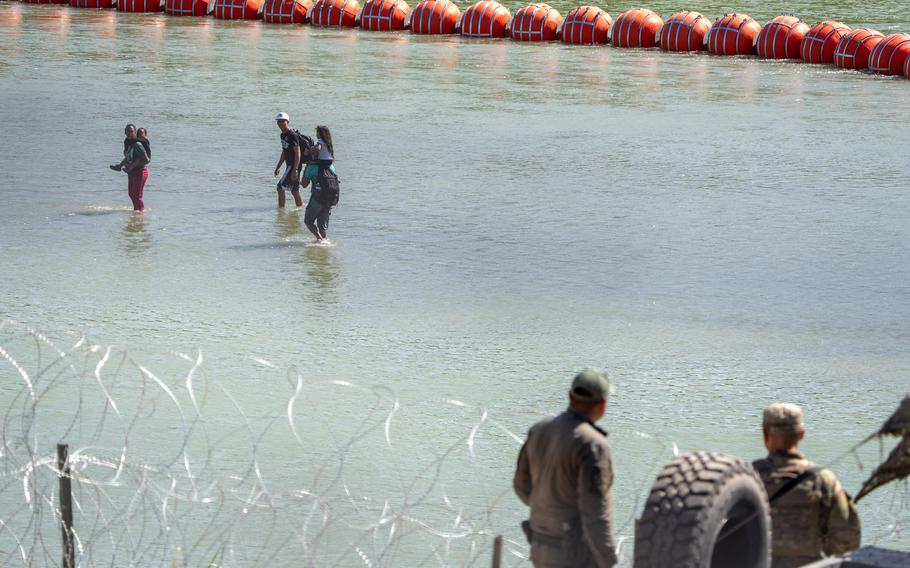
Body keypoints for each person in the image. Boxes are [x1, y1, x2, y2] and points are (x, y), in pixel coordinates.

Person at [513, 369, 618, 568]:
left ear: (570, 395)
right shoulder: (593, 445)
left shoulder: (539, 430)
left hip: (540, 546)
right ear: (603, 404)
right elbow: (594, 509)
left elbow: (521, 486)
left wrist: (548, 510)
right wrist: (607, 559)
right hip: (576, 554)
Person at [752, 403, 861, 567]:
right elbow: (846, 541)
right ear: (801, 434)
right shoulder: (824, 479)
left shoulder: (747, 476)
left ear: (765, 435)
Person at [301, 125, 338, 242]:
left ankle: (319, 239)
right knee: (322, 225)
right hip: (331, 197)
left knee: (308, 221)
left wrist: (308, 156)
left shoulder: (312, 166)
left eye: (316, 132)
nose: (316, 134)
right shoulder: (331, 166)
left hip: (318, 196)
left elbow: (304, 184)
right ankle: (323, 242)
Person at [110, 123, 149, 211]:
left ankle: (141, 212)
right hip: (131, 172)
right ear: (124, 132)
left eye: (131, 131)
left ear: (135, 132)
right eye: (127, 131)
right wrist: (121, 165)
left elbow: (144, 159)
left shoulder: (137, 144)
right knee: (131, 194)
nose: (129, 133)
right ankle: (136, 211)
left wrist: (131, 167)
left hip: (140, 171)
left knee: (137, 195)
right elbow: (128, 156)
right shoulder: (128, 142)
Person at [273, 112, 303, 208]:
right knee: (294, 191)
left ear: (287, 122)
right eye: (279, 121)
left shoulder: (292, 135)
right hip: (289, 166)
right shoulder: (283, 135)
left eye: (283, 121)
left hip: (293, 166)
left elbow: (298, 152)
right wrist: (278, 167)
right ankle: (300, 209)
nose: (280, 123)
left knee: (280, 188)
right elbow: (284, 152)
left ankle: (280, 211)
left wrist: (295, 169)